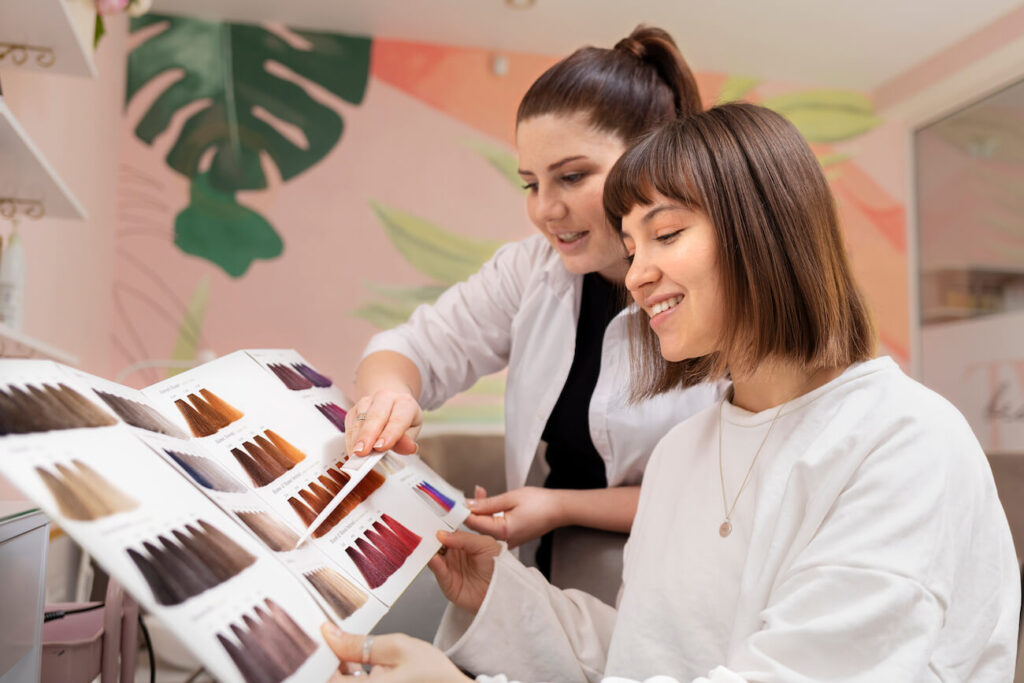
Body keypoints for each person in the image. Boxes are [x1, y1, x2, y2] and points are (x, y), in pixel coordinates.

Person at [322, 103, 1021, 681]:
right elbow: (643, 651)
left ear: (765, 231)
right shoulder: (687, 448)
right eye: (632, 244)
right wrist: (498, 596)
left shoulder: (905, 442)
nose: (635, 274)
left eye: (666, 234)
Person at [346, 26, 719, 602]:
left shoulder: (722, 292)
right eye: (531, 182)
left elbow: (726, 489)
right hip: (547, 571)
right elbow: (413, 349)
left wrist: (560, 506)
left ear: (653, 158)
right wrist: (390, 397)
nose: (546, 210)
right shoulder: (531, 271)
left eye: (572, 176)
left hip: (679, 577)